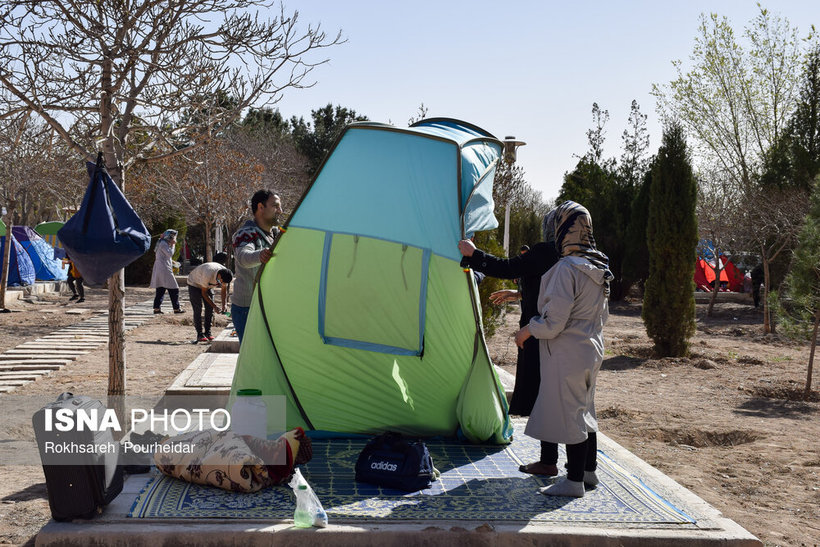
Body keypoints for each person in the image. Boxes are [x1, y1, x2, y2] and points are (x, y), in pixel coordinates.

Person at [514, 200, 612, 498]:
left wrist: (528, 329)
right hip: (591, 347)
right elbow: (602, 316)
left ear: (563, 230)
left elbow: (554, 322)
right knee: (585, 411)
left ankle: (573, 482)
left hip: (568, 351)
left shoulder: (566, 269)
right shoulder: (598, 266)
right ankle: (588, 471)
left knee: (571, 415)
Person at [458, 212, 560, 476]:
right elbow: (552, 291)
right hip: (565, 335)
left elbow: (507, 268)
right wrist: (519, 294)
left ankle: (549, 461)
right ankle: (584, 469)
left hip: (539, 332)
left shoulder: (547, 251)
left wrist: (473, 253)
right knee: (568, 400)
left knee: (543, 396)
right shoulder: (578, 255)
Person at [231, 190, 282, 342]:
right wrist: (261, 255)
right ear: (261, 207)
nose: (280, 211)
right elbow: (243, 257)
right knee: (252, 361)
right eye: (275, 206)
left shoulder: (277, 234)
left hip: (270, 305)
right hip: (248, 308)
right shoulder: (245, 234)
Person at [186, 262, 233, 343]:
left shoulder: (225, 274)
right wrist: (215, 306)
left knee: (209, 309)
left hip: (207, 285)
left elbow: (223, 290)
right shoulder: (208, 273)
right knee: (198, 308)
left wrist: (224, 305)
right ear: (219, 276)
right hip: (194, 283)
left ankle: (208, 332)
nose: (222, 284)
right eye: (222, 282)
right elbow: (204, 293)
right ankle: (200, 334)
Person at [150, 229, 184, 314]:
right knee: (174, 288)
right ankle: (176, 308)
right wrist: (173, 245)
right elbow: (170, 253)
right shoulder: (163, 243)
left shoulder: (162, 242)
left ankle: (157, 308)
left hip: (162, 267)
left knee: (161, 288)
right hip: (164, 268)